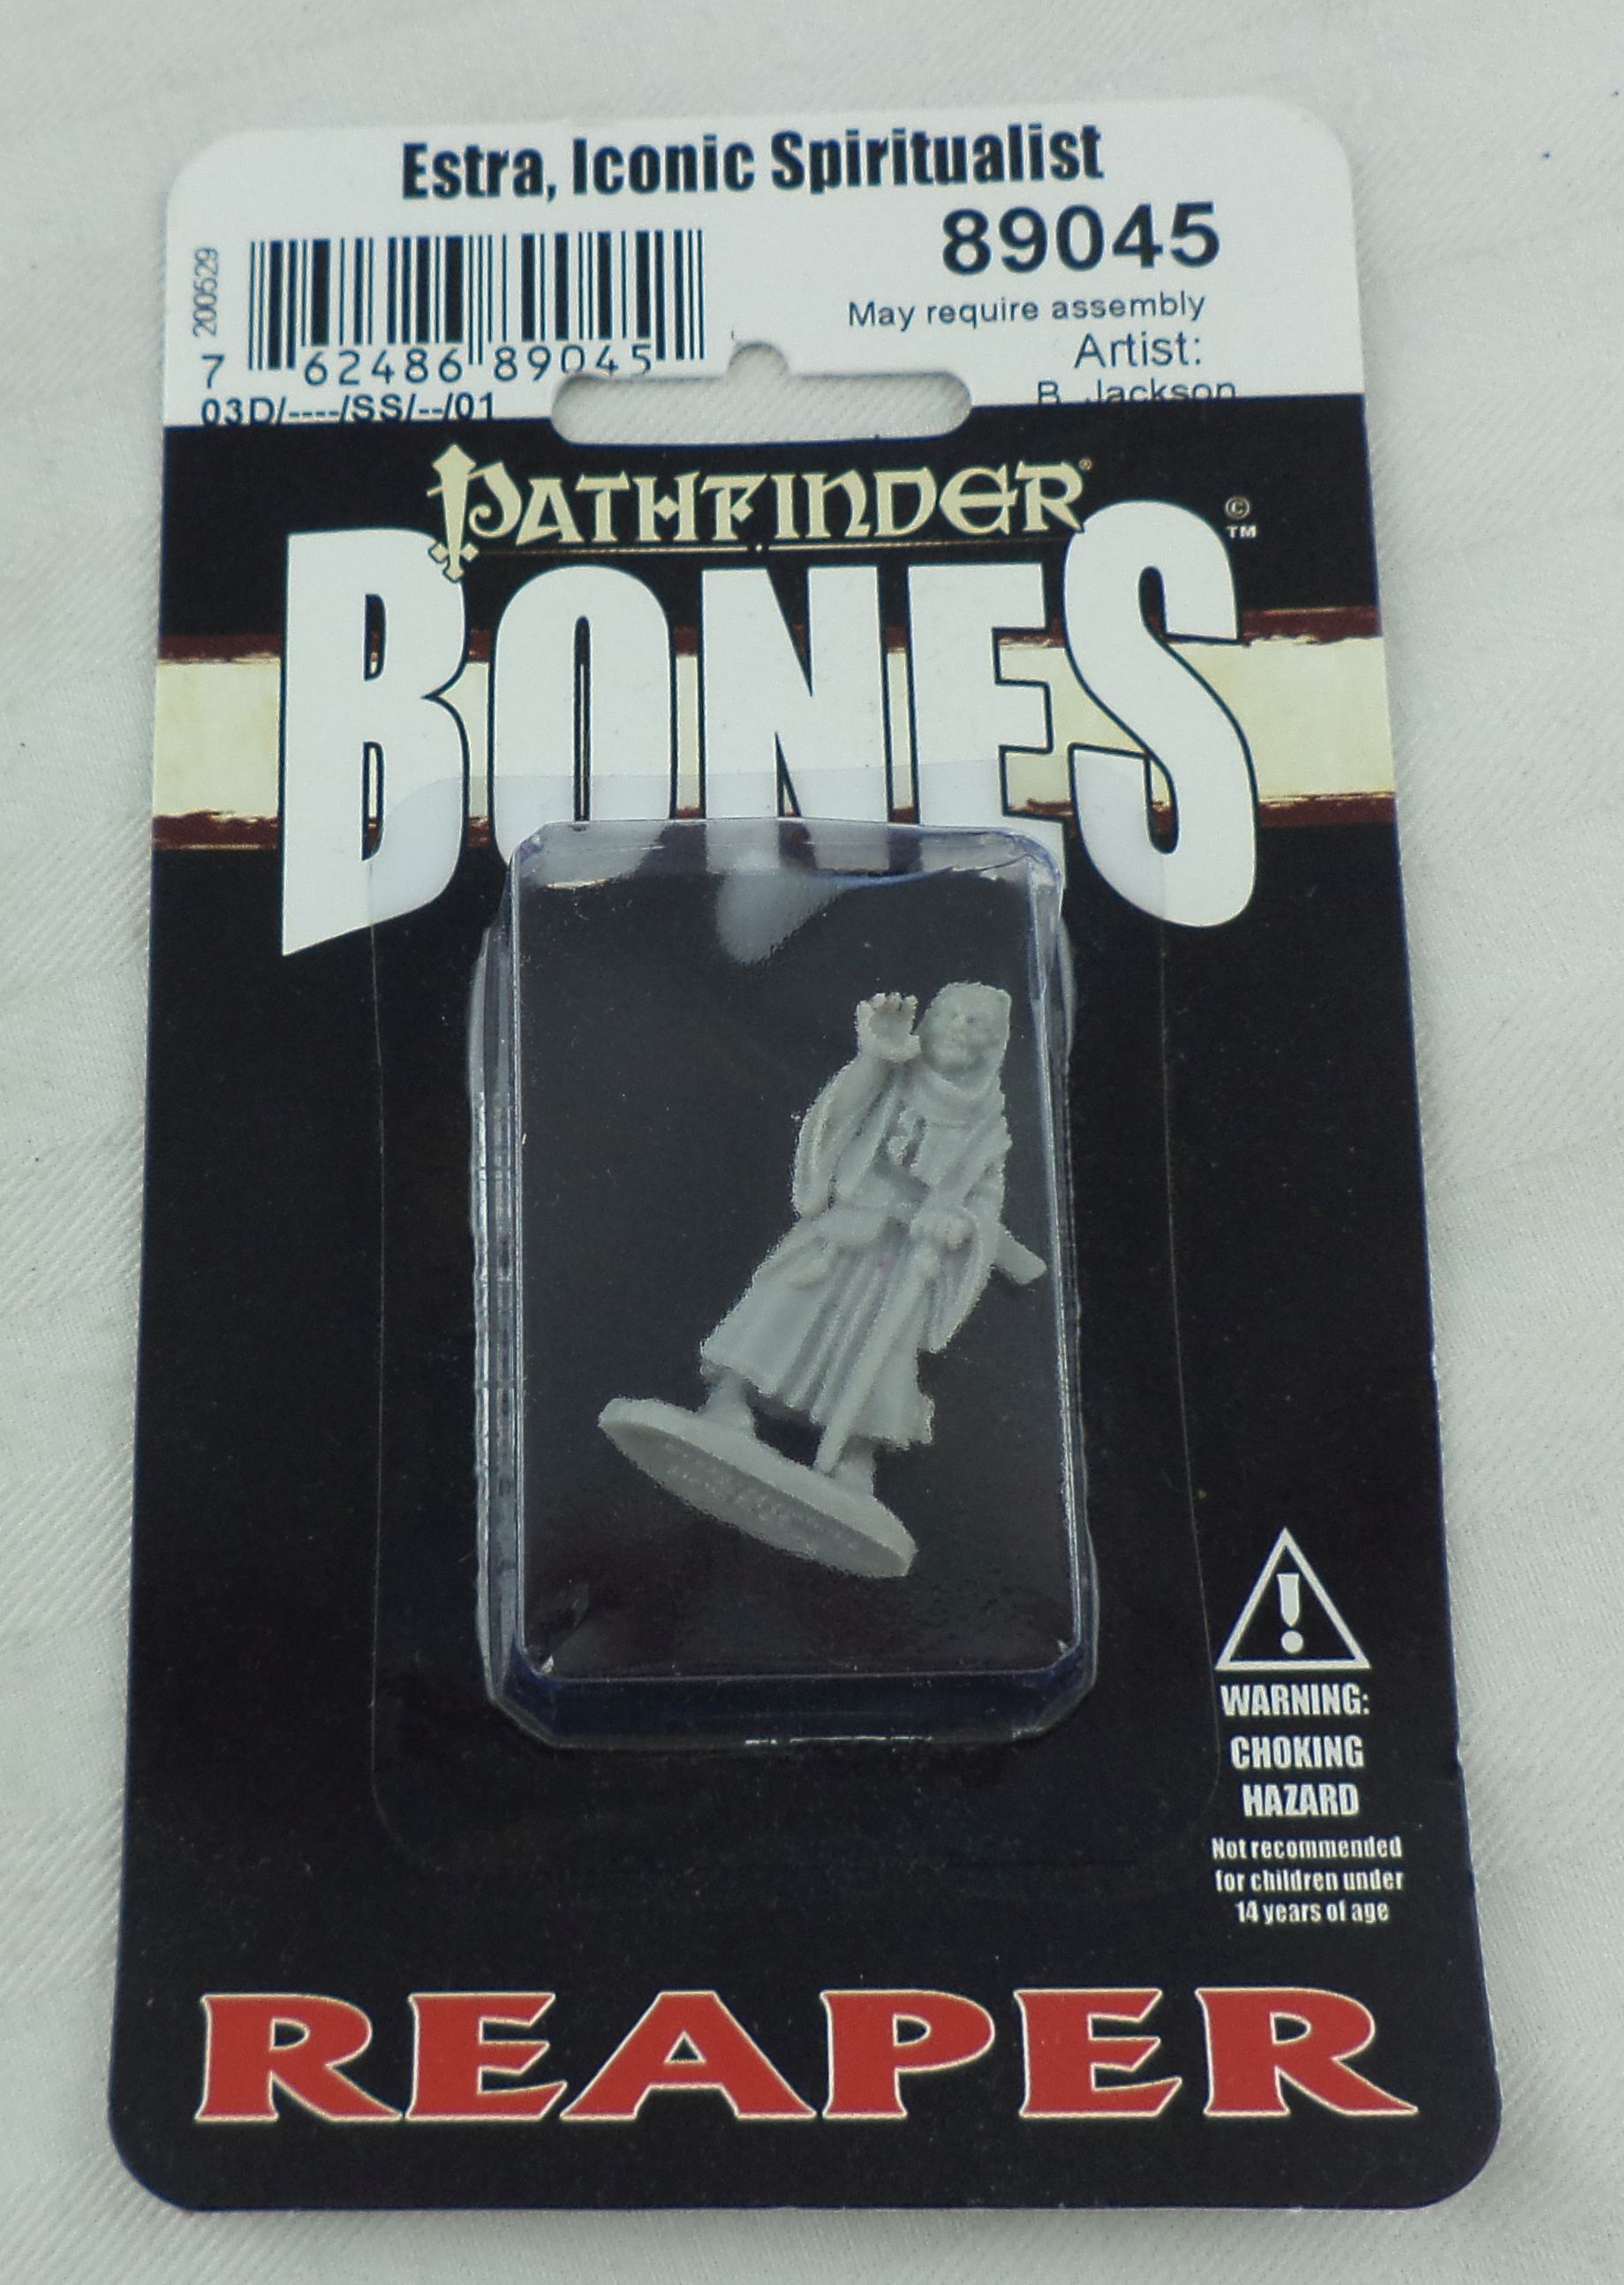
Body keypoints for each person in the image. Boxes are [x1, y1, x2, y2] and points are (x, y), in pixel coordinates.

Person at [698, 982, 1026, 1495]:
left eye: (975, 1023)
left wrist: (957, 1221)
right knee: (787, 1304)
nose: (960, 1029)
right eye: (951, 1015)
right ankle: (729, 1398)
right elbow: (841, 1110)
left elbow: (985, 1201)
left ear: (993, 1044)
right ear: (929, 1021)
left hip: (904, 1256)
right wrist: (877, 1052)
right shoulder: (894, 1076)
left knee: (883, 1351)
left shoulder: (988, 1130)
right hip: (848, 1226)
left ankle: (856, 1454)